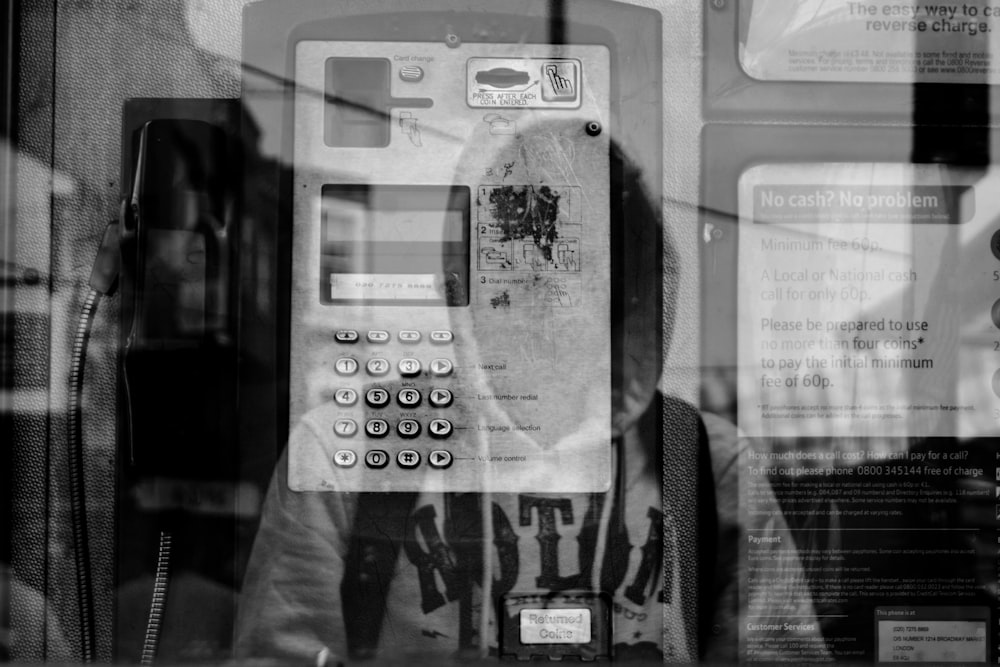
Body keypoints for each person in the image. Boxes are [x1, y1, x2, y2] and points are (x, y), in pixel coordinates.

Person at [234, 123, 825, 664]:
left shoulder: (698, 459)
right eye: (511, 263)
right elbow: (280, 651)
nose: (542, 293)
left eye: (571, 263)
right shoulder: (350, 448)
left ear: (626, 288)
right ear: (465, 276)